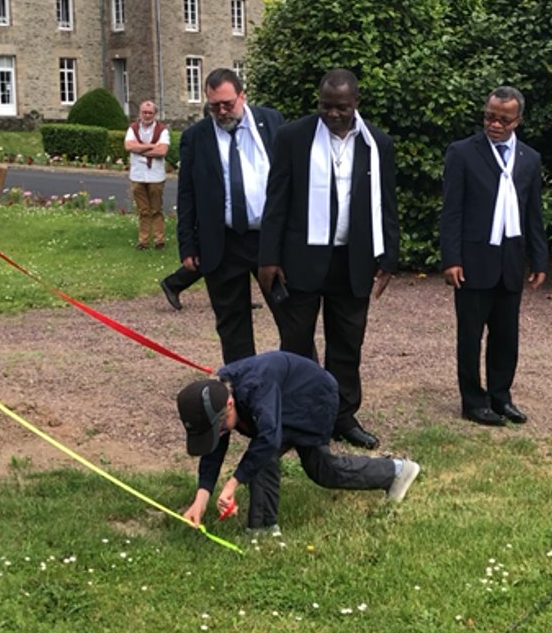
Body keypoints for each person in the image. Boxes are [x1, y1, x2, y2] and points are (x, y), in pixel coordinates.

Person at [258, 69, 399, 450]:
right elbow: (277, 199)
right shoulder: (293, 137)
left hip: (353, 260)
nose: (333, 114)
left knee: (347, 343)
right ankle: (301, 414)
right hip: (301, 258)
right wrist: (268, 256)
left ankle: (342, 416)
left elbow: (386, 202)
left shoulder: (377, 144)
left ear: (357, 104)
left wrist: (389, 255)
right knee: (297, 341)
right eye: (325, 106)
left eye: (341, 107)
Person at [177, 351, 421, 532]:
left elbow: (269, 439)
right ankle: (396, 472)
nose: (219, 435)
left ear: (229, 406)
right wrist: (201, 498)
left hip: (314, 397)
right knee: (323, 470)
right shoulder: (219, 394)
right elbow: (215, 446)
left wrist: (232, 484)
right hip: (287, 398)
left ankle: (263, 531)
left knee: (266, 453)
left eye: (218, 429)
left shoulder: (256, 386)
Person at [438, 86, 547, 427]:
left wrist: (539, 258)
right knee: (470, 336)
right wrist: (451, 258)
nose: (495, 124)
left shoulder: (529, 158)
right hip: (473, 259)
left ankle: (501, 396)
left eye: (504, 119)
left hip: (510, 259)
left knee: (506, 335)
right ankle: (473, 400)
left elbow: (533, 212)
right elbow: (452, 211)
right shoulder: (462, 153)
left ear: (518, 120)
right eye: (489, 116)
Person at [177, 69, 285, 363]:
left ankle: (300, 387)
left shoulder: (272, 122)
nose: (222, 112)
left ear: (242, 96)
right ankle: (244, 393)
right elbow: (186, 193)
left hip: (270, 240)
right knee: (232, 327)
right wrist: (187, 244)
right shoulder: (195, 138)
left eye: (227, 104)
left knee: (291, 319)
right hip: (222, 242)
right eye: (214, 106)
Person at [124, 101, 171, 250]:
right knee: (143, 210)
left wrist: (139, 149)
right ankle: (143, 241)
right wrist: (151, 146)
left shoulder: (162, 130)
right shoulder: (133, 128)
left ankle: (159, 240)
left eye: (150, 113)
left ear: (154, 114)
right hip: (137, 175)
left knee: (156, 209)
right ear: (140, 113)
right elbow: (128, 146)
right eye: (144, 112)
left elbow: (162, 151)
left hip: (155, 176)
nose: (147, 115)